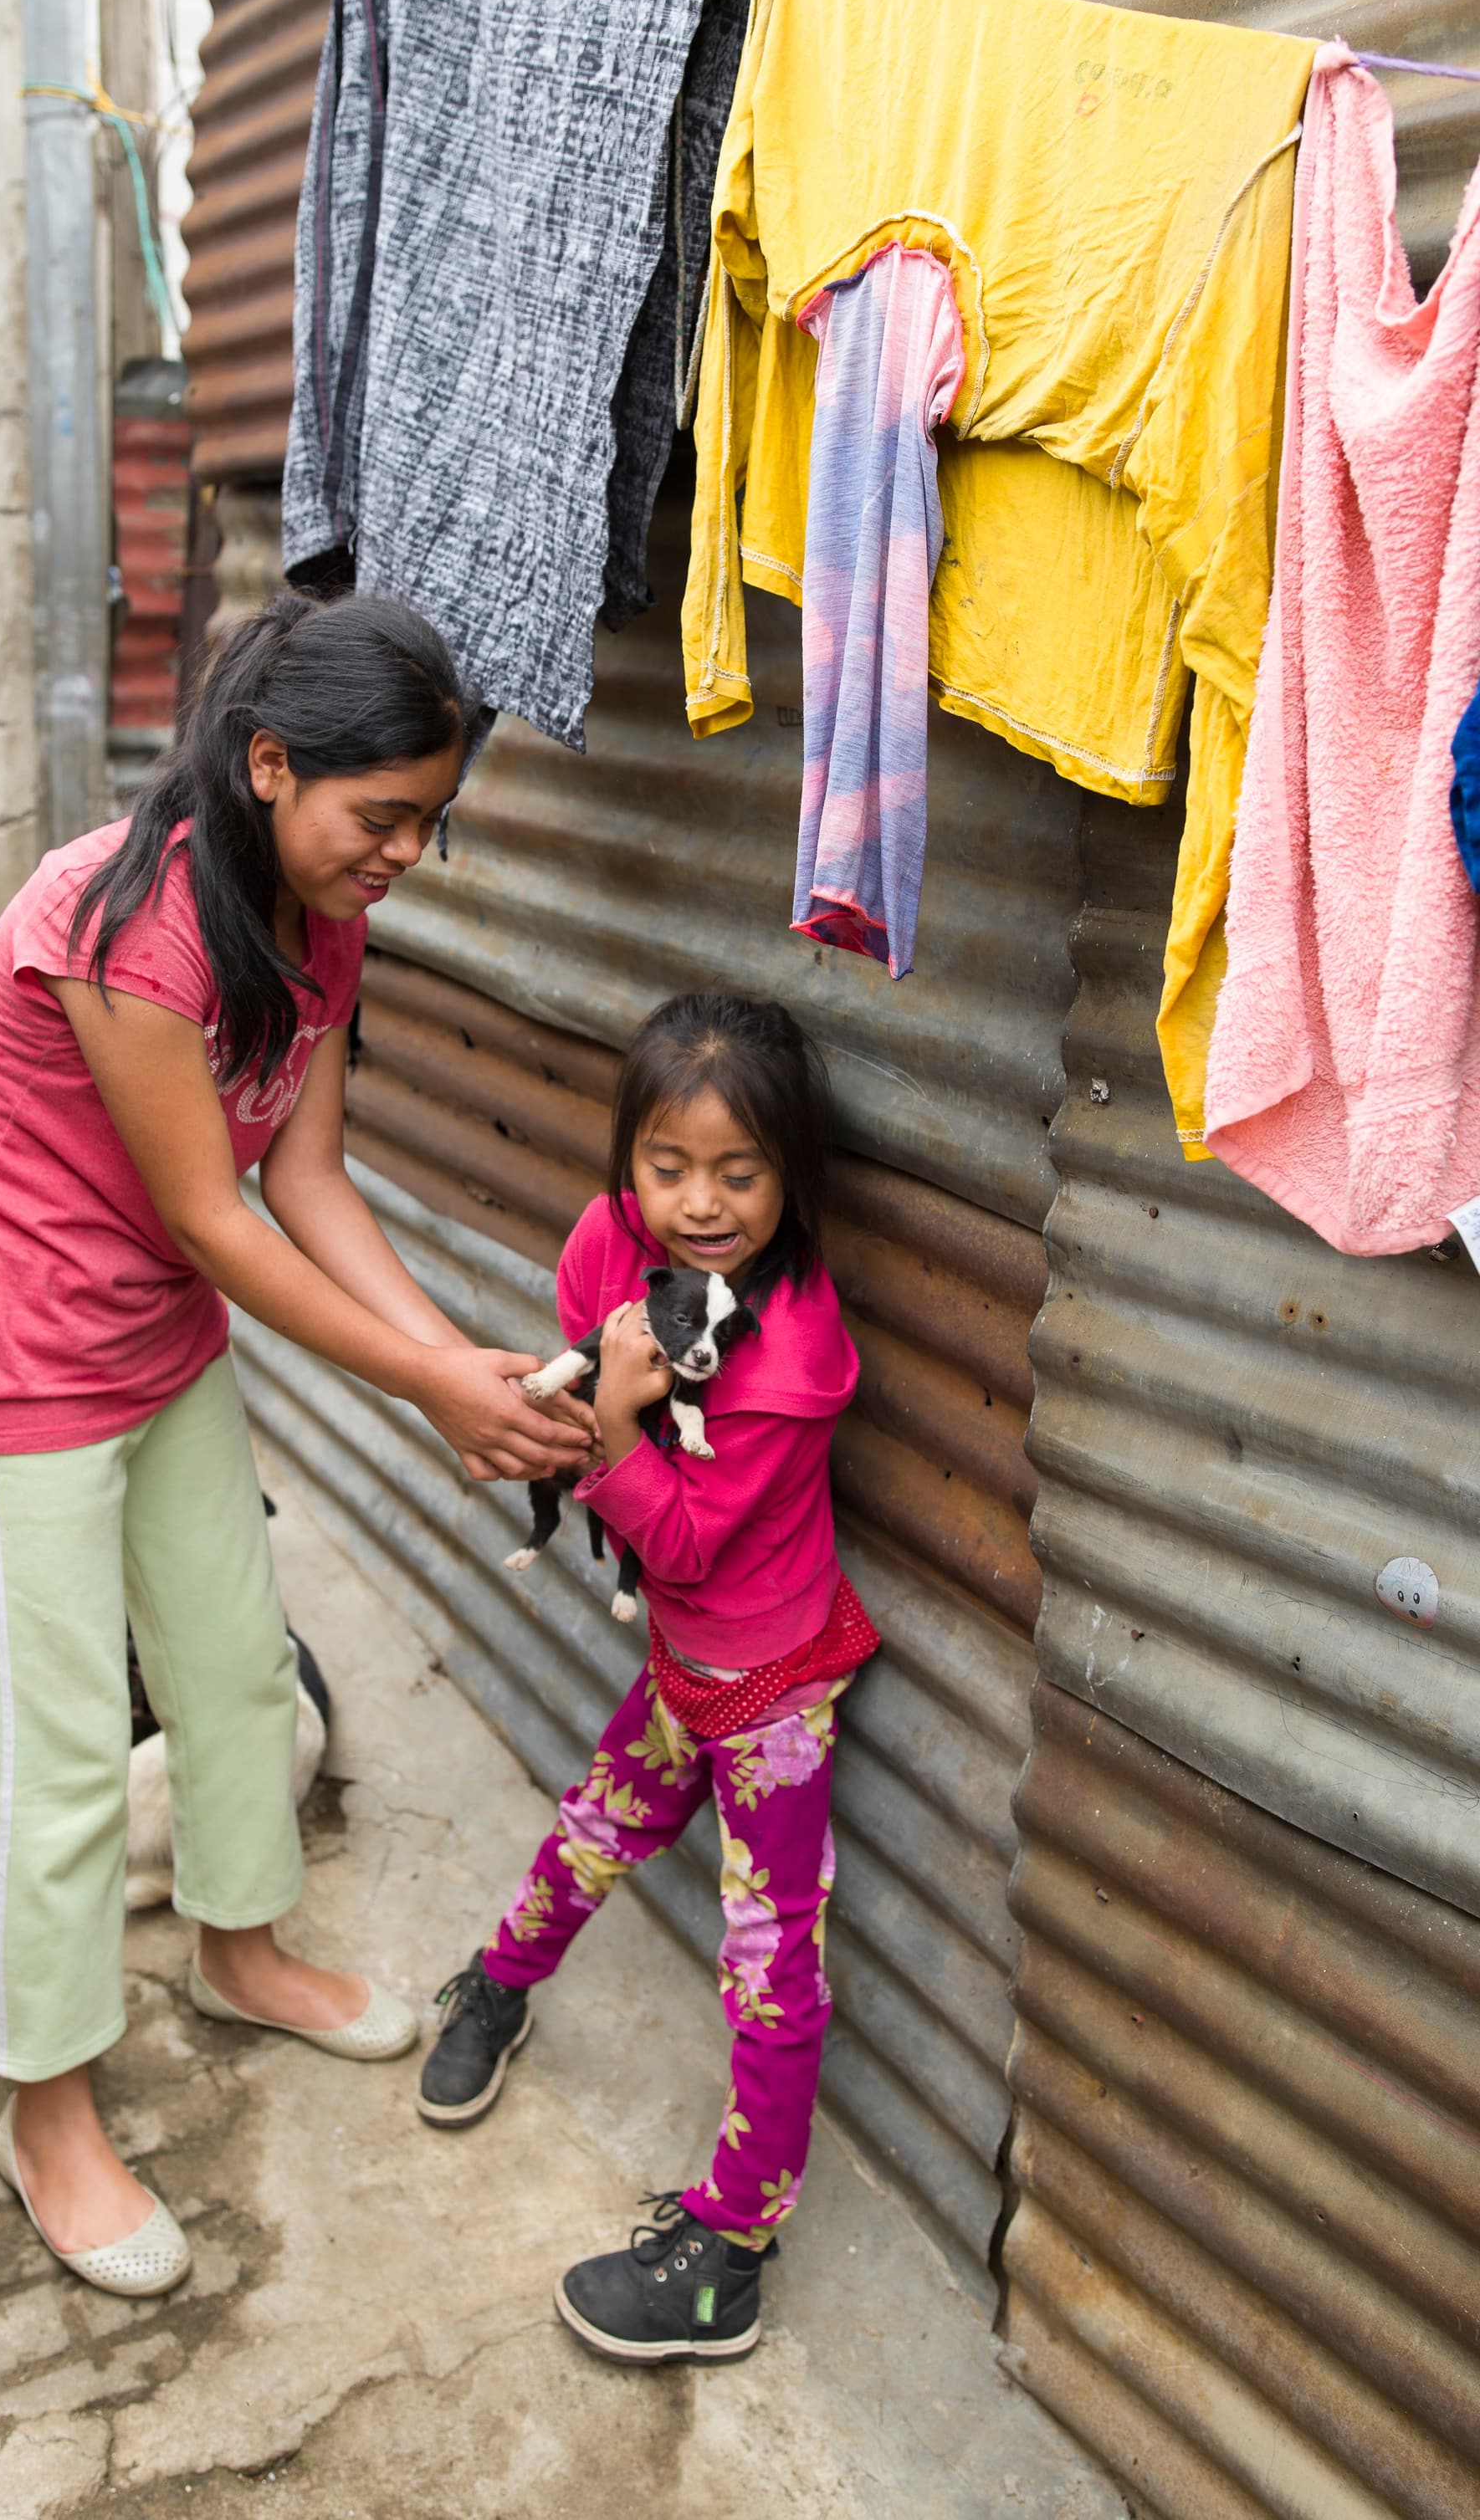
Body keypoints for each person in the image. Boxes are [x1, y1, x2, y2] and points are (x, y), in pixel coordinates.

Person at [0, 593, 592, 2298]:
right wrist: (436, 1391)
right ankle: (41, 2107)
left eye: (430, 818)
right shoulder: (127, 921)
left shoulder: (320, 913)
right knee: (54, 1760)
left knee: (232, 1671)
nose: (407, 852)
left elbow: (311, 1178)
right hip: (13, 1353)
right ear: (268, 764)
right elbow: (217, 1216)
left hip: (154, 1338)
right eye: (382, 816)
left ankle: (239, 1951)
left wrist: (456, 1357)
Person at [415, 993, 878, 2363]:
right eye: (669, 1167)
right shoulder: (606, 1241)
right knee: (596, 1825)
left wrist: (610, 1418)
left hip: (772, 1697)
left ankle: (730, 2254)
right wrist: (572, 1412)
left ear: (793, 1175)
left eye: (740, 1173)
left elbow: (674, 1534)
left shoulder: (797, 1361)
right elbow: (571, 1372)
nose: (699, 1204)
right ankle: (495, 1989)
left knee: (769, 1968)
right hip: (687, 1660)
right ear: (629, 1162)